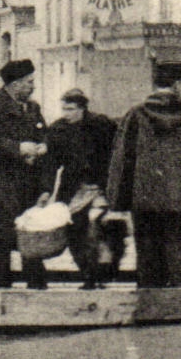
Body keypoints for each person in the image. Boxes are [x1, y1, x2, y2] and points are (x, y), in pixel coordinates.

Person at [107, 60, 181, 288]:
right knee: (178, 250)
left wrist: (117, 200)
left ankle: (150, 303)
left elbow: (121, 160)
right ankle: (178, 302)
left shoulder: (136, 114)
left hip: (145, 199)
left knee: (147, 253)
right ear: (178, 83)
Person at [0, 59, 50, 289]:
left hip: (27, 187)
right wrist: (18, 148)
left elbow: (43, 133)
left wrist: (43, 145)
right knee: (1, 246)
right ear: (15, 84)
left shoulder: (32, 107)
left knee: (31, 241)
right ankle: (0, 295)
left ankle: (37, 294)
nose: (33, 86)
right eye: (29, 82)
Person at [42, 88, 124, 288]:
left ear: (82, 108)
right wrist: (46, 190)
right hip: (73, 189)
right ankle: (87, 274)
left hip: (101, 186)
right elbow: (50, 164)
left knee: (107, 228)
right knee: (74, 232)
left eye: (71, 109)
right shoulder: (57, 130)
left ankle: (104, 272)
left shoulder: (102, 125)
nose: (66, 113)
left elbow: (118, 154)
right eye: (64, 109)